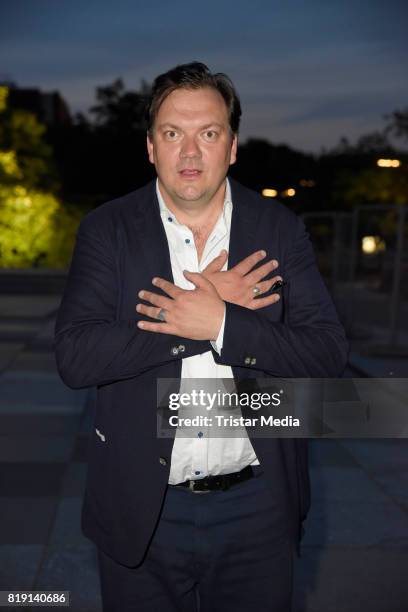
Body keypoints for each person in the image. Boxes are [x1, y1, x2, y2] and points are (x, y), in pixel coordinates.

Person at [54, 61, 348, 612]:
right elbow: (74, 356)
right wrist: (192, 324)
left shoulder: (279, 229)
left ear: (232, 146)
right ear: (150, 147)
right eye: (173, 134)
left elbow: (329, 354)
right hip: (142, 508)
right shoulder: (108, 230)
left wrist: (221, 324)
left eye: (208, 134)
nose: (190, 153)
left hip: (259, 507)